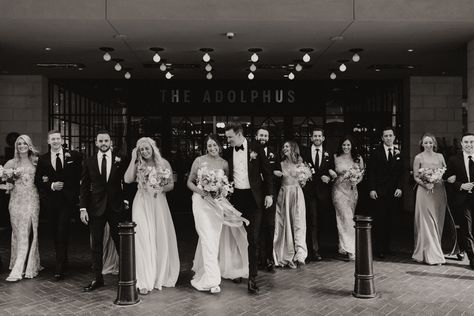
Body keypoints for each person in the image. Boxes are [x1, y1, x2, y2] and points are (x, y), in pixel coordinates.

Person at [187, 134, 249, 294]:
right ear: (206, 148)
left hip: (217, 204)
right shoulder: (199, 161)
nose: (212, 148)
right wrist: (203, 192)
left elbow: (226, 185)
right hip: (201, 203)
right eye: (209, 146)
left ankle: (210, 273)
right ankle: (213, 281)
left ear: (219, 146)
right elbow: (189, 182)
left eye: (214, 145)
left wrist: (220, 193)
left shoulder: (224, 163)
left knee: (213, 239)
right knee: (207, 238)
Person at [124, 137, 179, 294]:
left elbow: (171, 185)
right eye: (141, 149)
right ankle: (143, 279)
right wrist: (134, 158)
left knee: (158, 236)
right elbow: (127, 179)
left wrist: (160, 188)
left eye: (147, 148)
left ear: (153, 148)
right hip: (141, 202)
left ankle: (158, 274)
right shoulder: (138, 163)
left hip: (158, 203)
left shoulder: (164, 163)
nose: (145, 152)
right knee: (142, 237)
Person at [224, 122, 273, 295]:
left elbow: (267, 172)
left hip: (254, 199)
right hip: (236, 199)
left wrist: (269, 194)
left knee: (253, 238)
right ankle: (238, 270)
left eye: (230, 136)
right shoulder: (228, 151)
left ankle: (252, 278)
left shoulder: (256, 147)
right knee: (237, 237)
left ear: (239, 134)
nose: (227, 140)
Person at [79, 130, 129, 292]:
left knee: (120, 242)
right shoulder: (89, 161)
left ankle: (126, 276)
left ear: (110, 142)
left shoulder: (120, 159)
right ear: (96, 143)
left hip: (116, 207)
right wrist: (83, 208)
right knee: (96, 244)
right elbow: (84, 187)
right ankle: (97, 278)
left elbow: (127, 180)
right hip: (95, 208)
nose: (103, 143)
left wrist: (126, 199)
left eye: (106, 140)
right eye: (100, 141)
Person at [34, 130, 82, 280]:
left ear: (62, 140)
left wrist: (76, 194)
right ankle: (64, 259)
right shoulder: (43, 159)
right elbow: (38, 181)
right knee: (55, 232)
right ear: (48, 141)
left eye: (57, 138)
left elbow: (80, 176)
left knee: (62, 230)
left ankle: (59, 266)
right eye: (52, 139)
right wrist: (52, 185)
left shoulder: (73, 156)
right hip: (51, 201)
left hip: (68, 201)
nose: (55, 141)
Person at [412, 133, 457, 265]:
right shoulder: (418, 157)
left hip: (438, 191)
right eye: (425, 143)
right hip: (424, 193)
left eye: (430, 143)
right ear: (422, 144)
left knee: (437, 221)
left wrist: (443, 178)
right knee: (426, 223)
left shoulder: (440, 156)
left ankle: (434, 250)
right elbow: (416, 176)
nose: (428, 145)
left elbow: (444, 172)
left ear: (434, 144)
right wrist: (426, 183)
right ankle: (430, 255)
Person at [2, 135, 42, 281]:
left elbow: (43, 179)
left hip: (31, 201)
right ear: (16, 146)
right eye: (19, 144)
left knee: (26, 233)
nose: (22, 146)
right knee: (17, 233)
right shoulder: (11, 163)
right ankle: (24, 262)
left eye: (24, 143)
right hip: (15, 202)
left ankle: (19, 269)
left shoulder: (36, 161)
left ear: (29, 145)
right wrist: (9, 183)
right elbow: (3, 182)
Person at [367, 127, 403, 258]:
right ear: (382, 138)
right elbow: (371, 172)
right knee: (379, 220)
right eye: (386, 136)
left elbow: (401, 172)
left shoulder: (398, 152)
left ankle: (387, 246)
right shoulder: (375, 152)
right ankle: (378, 248)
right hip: (379, 191)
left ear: (394, 137)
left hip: (393, 192)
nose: (388, 138)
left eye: (390, 135)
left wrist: (400, 187)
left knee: (390, 219)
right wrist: (372, 189)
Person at [329, 136, 364, 261]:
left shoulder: (358, 158)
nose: (346, 147)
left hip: (352, 191)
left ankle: (342, 247)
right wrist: (331, 173)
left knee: (348, 218)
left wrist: (356, 181)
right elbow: (330, 170)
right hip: (338, 191)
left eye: (348, 145)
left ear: (352, 145)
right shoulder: (335, 157)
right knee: (344, 218)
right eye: (344, 145)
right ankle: (351, 249)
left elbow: (361, 175)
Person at [273, 141, 308, 268]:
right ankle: (285, 252)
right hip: (284, 194)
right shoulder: (280, 164)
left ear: (293, 148)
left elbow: (304, 179)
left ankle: (300, 254)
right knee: (284, 223)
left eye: (287, 146)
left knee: (298, 222)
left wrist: (303, 179)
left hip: (297, 193)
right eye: (284, 147)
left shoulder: (300, 163)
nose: (284, 148)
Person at [301, 128, 333, 262]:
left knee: (321, 221)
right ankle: (314, 250)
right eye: (315, 136)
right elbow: (300, 168)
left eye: (320, 136)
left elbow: (332, 170)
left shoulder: (329, 153)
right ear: (311, 137)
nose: (317, 138)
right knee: (312, 220)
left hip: (323, 193)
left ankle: (319, 247)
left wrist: (329, 177)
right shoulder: (305, 152)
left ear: (323, 138)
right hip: (310, 192)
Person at [445, 133, 474, 270]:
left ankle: (464, 248)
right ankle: (472, 258)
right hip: (463, 200)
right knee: (467, 228)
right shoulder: (453, 160)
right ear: (461, 144)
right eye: (466, 142)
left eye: (472, 142)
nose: (469, 144)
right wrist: (461, 186)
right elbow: (448, 180)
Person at [255, 128, 279, 273]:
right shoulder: (250, 151)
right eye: (261, 135)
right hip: (256, 194)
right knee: (257, 228)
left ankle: (269, 260)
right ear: (256, 136)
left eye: (266, 135)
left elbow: (277, 172)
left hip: (270, 194)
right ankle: (258, 259)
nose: (263, 137)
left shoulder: (272, 152)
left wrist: (273, 175)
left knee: (269, 226)